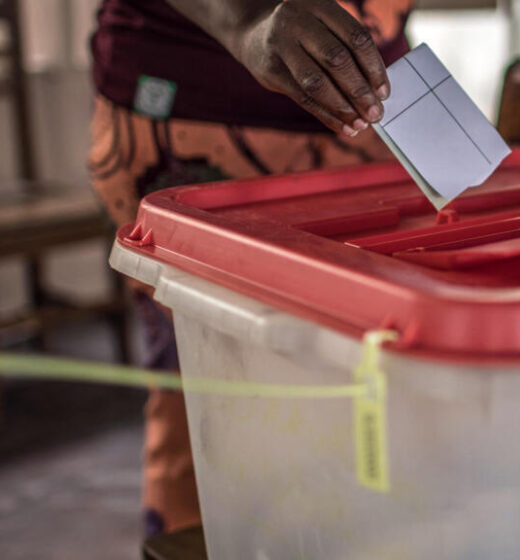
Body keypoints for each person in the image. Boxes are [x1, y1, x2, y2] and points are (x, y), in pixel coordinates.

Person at [88, 0, 413, 536]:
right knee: (211, 389)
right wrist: (243, 18)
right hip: (193, 115)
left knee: (366, 394)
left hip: (370, 120)